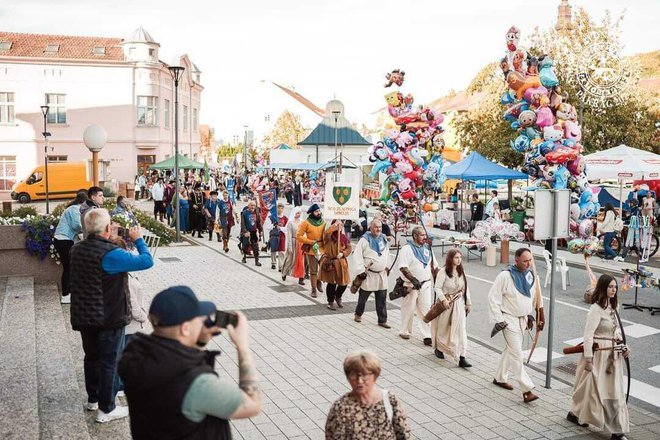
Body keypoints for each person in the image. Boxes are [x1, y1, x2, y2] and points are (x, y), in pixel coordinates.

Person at [118, 286, 262, 439]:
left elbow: (173, 356)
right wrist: (243, 346)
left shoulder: (134, 357)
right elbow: (252, 404)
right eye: (198, 319)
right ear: (185, 329)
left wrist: (198, 342)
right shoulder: (196, 383)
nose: (202, 321)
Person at [69, 209, 153, 423]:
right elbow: (146, 261)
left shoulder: (76, 248)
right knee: (109, 362)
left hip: (84, 316)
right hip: (108, 317)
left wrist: (107, 235)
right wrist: (139, 239)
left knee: (91, 358)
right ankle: (107, 409)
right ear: (108, 228)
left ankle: (93, 399)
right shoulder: (112, 254)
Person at [567, 275, 630, 440]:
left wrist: (622, 345)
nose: (613, 290)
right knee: (592, 390)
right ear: (603, 288)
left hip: (612, 356)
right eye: (610, 287)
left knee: (614, 391)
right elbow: (588, 336)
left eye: (615, 287)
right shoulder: (595, 309)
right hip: (597, 355)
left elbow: (615, 331)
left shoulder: (614, 308)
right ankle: (575, 413)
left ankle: (617, 430)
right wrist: (588, 359)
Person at [488, 247, 542, 403]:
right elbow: (493, 298)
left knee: (510, 349)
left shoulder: (532, 275)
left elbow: (537, 297)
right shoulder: (505, 276)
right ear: (516, 260)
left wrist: (537, 314)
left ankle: (499, 377)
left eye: (530, 260)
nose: (528, 263)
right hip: (508, 319)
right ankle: (527, 390)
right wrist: (500, 320)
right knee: (517, 353)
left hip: (523, 319)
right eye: (525, 261)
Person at [325, 351, 410, 440]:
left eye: (365, 375)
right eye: (354, 375)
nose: (359, 381)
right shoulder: (340, 407)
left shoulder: (389, 400)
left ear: (375, 375)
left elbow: (404, 435)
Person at [431, 249, 472, 368]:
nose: (459, 260)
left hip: (459, 304)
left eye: (460, 257)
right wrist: (443, 300)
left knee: (460, 330)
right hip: (446, 303)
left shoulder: (461, 271)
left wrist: (468, 302)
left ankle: (462, 356)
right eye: (456, 257)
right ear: (450, 259)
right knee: (443, 328)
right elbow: (437, 288)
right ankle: (439, 347)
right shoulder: (443, 271)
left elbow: (465, 288)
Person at [397, 226, 435, 345]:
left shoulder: (427, 248)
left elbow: (434, 266)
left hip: (426, 284)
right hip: (410, 285)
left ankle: (428, 335)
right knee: (408, 308)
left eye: (425, 235)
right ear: (415, 236)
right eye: (422, 235)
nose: (425, 237)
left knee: (425, 309)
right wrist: (413, 279)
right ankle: (405, 331)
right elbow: (403, 267)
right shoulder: (407, 249)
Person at [353, 219, 390, 328]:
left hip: (381, 274)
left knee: (382, 298)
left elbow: (386, 253)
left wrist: (387, 266)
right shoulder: (364, 240)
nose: (378, 229)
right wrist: (360, 271)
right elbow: (357, 255)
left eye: (380, 227)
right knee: (363, 297)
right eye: (376, 227)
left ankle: (382, 320)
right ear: (370, 227)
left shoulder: (383, 238)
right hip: (369, 274)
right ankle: (358, 314)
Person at [53, 190, 87, 304]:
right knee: (68, 268)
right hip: (64, 240)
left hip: (64, 240)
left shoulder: (74, 208)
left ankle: (69, 293)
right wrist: (87, 230)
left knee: (70, 267)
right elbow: (76, 224)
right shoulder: (74, 209)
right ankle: (65, 295)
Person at [320, 219, 352, 310]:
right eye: (337, 225)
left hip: (341, 263)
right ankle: (330, 301)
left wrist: (343, 253)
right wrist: (334, 226)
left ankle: (338, 296)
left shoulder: (344, 237)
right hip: (331, 262)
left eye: (341, 225)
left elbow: (349, 248)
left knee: (344, 283)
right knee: (331, 283)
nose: (339, 226)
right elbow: (325, 233)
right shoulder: (328, 236)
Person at [296, 204, 326, 298]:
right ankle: (313, 289)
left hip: (322, 249)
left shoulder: (323, 222)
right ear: (312, 213)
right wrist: (310, 242)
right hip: (312, 250)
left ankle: (318, 281)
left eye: (319, 211)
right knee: (313, 271)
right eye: (316, 211)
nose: (318, 213)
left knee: (323, 268)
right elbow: (299, 236)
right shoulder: (306, 223)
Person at [281, 207, 306, 285]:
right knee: (290, 259)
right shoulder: (290, 223)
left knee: (301, 261)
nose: (298, 215)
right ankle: (284, 273)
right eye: (297, 213)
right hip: (293, 241)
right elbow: (289, 235)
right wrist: (289, 246)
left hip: (300, 243)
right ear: (294, 213)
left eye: (299, 213)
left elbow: (305, 233)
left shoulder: (302, 222)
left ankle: (301, 277)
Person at [264, 203, 288, 271]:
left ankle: (281, 265)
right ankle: (273, 263)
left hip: (282, 236)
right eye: (279, 208)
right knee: (273, 250)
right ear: (276, 208)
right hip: (274, 235)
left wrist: (280, 228)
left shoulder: (285, 218)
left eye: (281, 208)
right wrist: (273, 225)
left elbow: (287, 228)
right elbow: (267, 227)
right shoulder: (272, 217)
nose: (280, 210)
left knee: (281, 251)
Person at [240, 200, 262, 266]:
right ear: (248, 206)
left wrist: (260, 231)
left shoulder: (256, 213)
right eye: (251, 205)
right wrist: (245, 231)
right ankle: (244, 257)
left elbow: (258, 223)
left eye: (254, 205)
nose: (253, 207)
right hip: (247, 232)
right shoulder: (244, 213)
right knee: (245, 246)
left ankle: (256, 261)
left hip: (254, 232)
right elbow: (242, 224)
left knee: (255, 247)